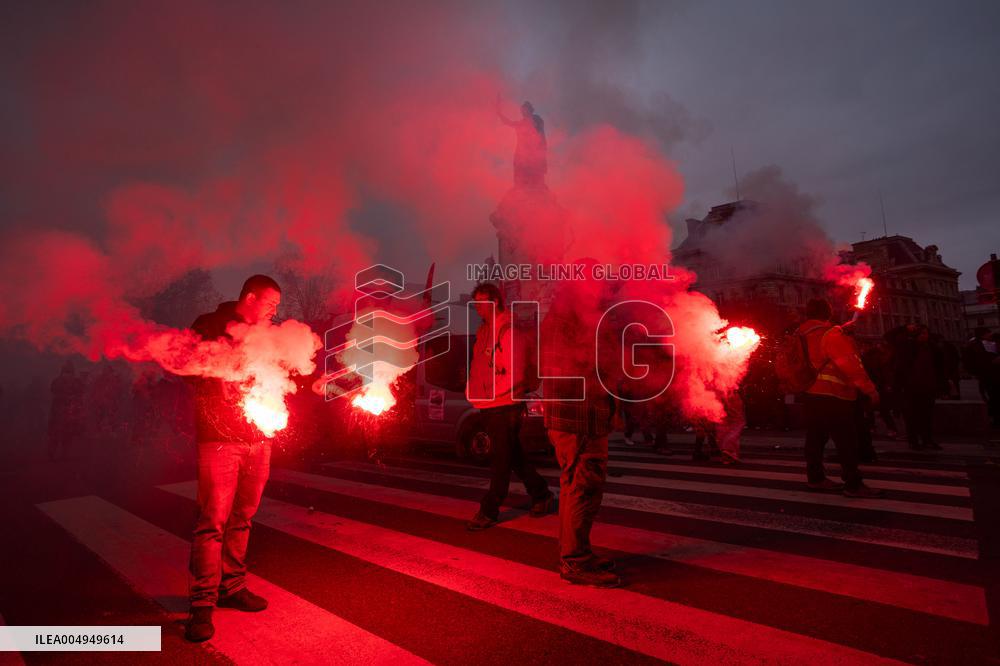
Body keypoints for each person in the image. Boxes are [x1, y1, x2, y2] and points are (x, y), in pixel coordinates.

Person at [185, 275, 282, 643]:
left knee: (243, 517)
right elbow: (184, 365)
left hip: (259, 439)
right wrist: (216, 377)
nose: (275, 312)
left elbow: (283, 372)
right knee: (212, 521)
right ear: (252, 297)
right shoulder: (208, 324)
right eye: (272, 304)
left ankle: (233, 587)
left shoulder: (269, 334)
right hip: (219, 442)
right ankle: (202, 604)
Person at [541, 269, 620, 587]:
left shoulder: (564, 314)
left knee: (579, 485)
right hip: (579, 417)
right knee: (581, 487)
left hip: (579, 415)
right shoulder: (574, 318)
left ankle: (578, 552)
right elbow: (595, 363)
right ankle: (574, 560)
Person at [465, 283, 554, 531]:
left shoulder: (508, 329)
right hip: (490, 404)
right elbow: (478, 367)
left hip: (505, 405)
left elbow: (513, 374)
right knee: (513, 455)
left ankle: (489, 509)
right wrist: (472, 392)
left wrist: (490, 394)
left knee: (501, 459)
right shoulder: (484, 331)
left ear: (494, 301)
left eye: (481, 302)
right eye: (476, 303)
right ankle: (541, 494)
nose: (477, 307)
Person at [796, 298, 884, 498]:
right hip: (834, 394)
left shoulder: (800, 333)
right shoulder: (833, 333)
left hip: (810, 393)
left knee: (815, 439)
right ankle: (853, 484)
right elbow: (849, 363)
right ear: (828, 312)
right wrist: (869, 389)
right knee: (847, 441)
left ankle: (816, 478)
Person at [886, 323, 946, 451]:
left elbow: (940, 368)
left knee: (927, 416)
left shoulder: (932, 347)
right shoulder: (906, 346)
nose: (925, 336)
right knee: (911, 416)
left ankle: (927, 440)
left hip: (928, 386)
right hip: (910, 388)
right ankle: (914, 441)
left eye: (926, 333)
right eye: (922, 333)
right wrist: (904, 328)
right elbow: (888, 336)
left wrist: (942, 385)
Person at [496, 95, 547, 187]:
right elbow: (508, 122)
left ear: (530, 110)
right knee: (521, 176)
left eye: (525, 109)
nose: (523, 112)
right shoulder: (521, 124)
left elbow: (540, 135)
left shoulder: (537, 120)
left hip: (534, 154)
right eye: (522, 110)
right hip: (522, 154)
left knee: (534, 177)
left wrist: (541, 152)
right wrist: (499, 112)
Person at [47, 360, 85, 460]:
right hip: (64, 410)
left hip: (65, 410)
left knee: (62, 433)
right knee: (63, 434)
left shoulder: (59, 380)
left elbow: (52, 389)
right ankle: (58, 452)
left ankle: (56, 452)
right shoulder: (70, 381)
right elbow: (53, 390)